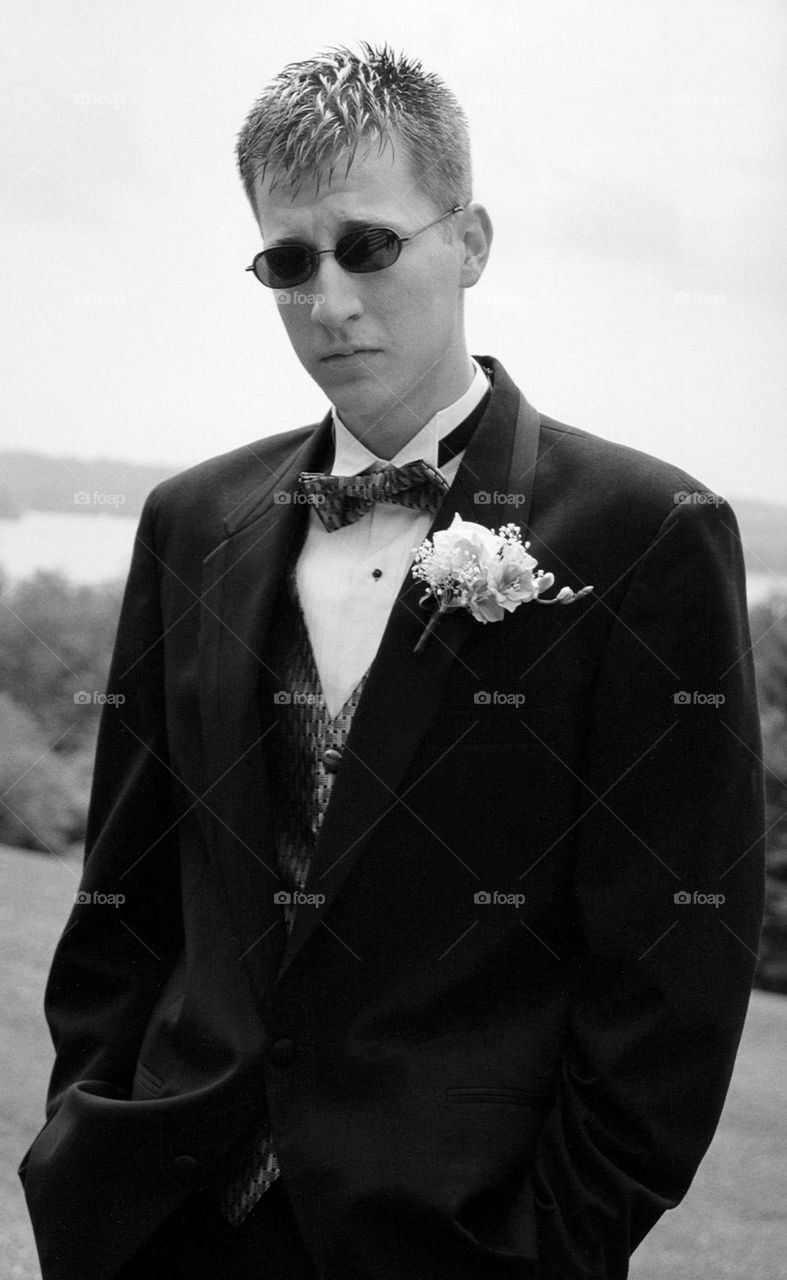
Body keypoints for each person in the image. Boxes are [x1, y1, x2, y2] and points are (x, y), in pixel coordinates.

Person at [20, 42, 765, 1280]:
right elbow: (126, 890)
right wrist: (82, 1136)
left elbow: (673, 964)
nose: (330, 299)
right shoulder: (191, 523)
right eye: (288, 260)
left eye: (369, 245)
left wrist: (551, 1242)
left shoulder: (646, 537)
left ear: (469, 242)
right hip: (164, 1221)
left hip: (455, 1238)